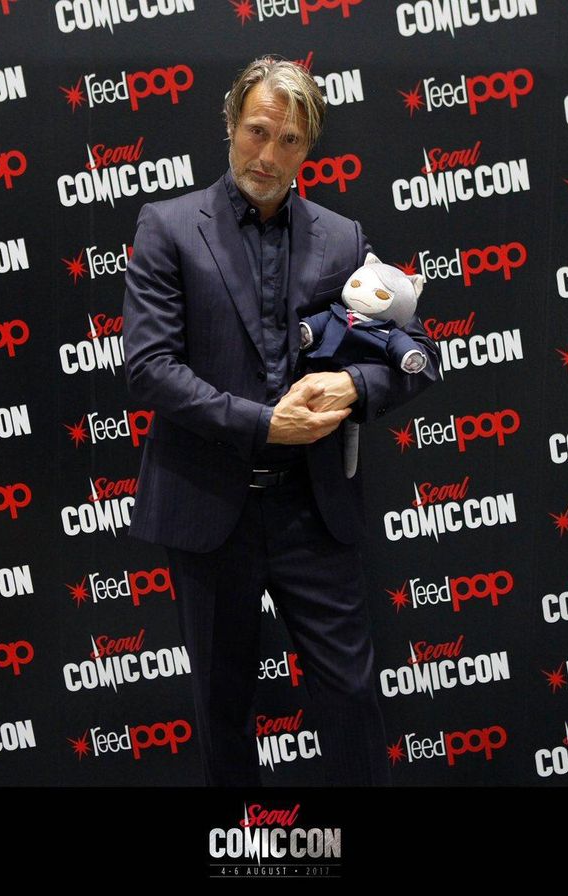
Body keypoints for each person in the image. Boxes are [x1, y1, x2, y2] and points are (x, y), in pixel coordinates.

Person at [122, 57, 440, 786]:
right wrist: (267, 423)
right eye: (257, 131)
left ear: (308, 148)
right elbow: (149, 368)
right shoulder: (168, 227)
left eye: (289, 139)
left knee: (352, 696)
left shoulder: (342, 237)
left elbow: (418, 356)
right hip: (210, 507)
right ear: (231, 125)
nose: (268, 154)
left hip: (312, 509)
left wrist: (352, 382)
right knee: (223, 710)